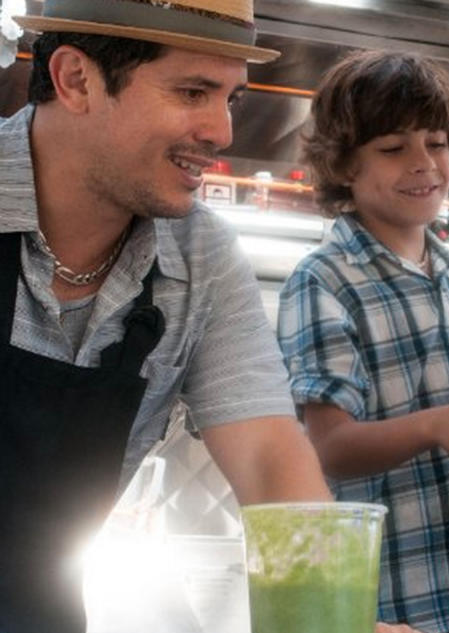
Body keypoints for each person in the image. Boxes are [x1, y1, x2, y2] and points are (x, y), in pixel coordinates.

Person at [0, 3, 334, 632]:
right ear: (76, 80)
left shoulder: (200, 259)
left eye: (231, 97)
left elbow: (267, 453)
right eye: (192, 92)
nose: (222, 131)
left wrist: (324, 617)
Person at [277, 50, 449, 633]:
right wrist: (434, 426)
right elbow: (329, 448)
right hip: (398, 610)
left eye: (437, 143)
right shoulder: (325, 280)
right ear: (344, 166)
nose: (424, 164)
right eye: (393, 149)